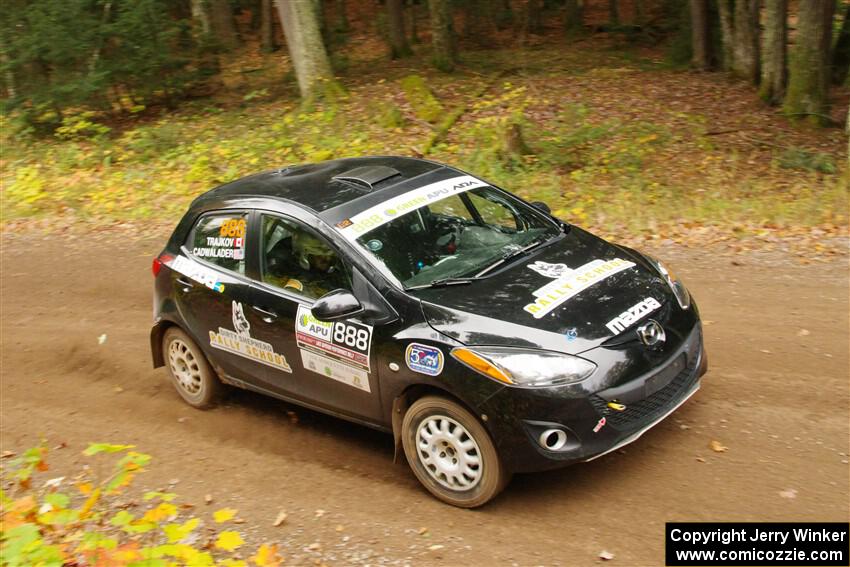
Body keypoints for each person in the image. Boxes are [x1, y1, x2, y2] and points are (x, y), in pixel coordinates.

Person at [266, 231, 347, 299]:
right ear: (306, 258)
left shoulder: (335, 270)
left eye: (331, 259)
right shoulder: (281, 263)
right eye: (322, 259)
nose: (328, 262)